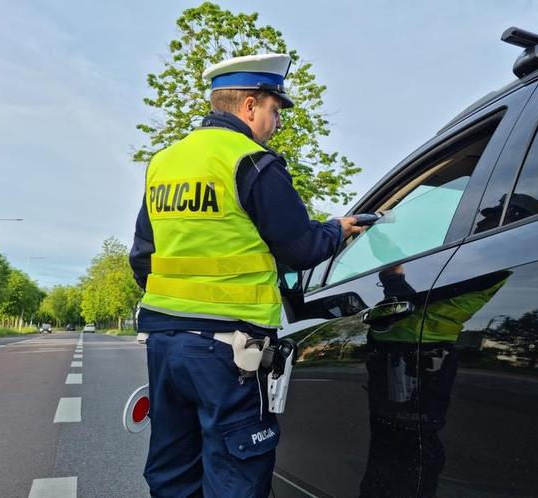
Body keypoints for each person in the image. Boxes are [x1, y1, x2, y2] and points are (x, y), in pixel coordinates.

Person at [129, 53, 362, 498]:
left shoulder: (164, 163)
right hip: (229, 350)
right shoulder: (252, 162)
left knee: (174, 467)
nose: (277, 124)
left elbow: (143, 257)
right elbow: (301, 248)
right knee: (236, 470)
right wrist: (337, 230)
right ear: (251, 106)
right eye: (275, 111)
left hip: (163, 343)